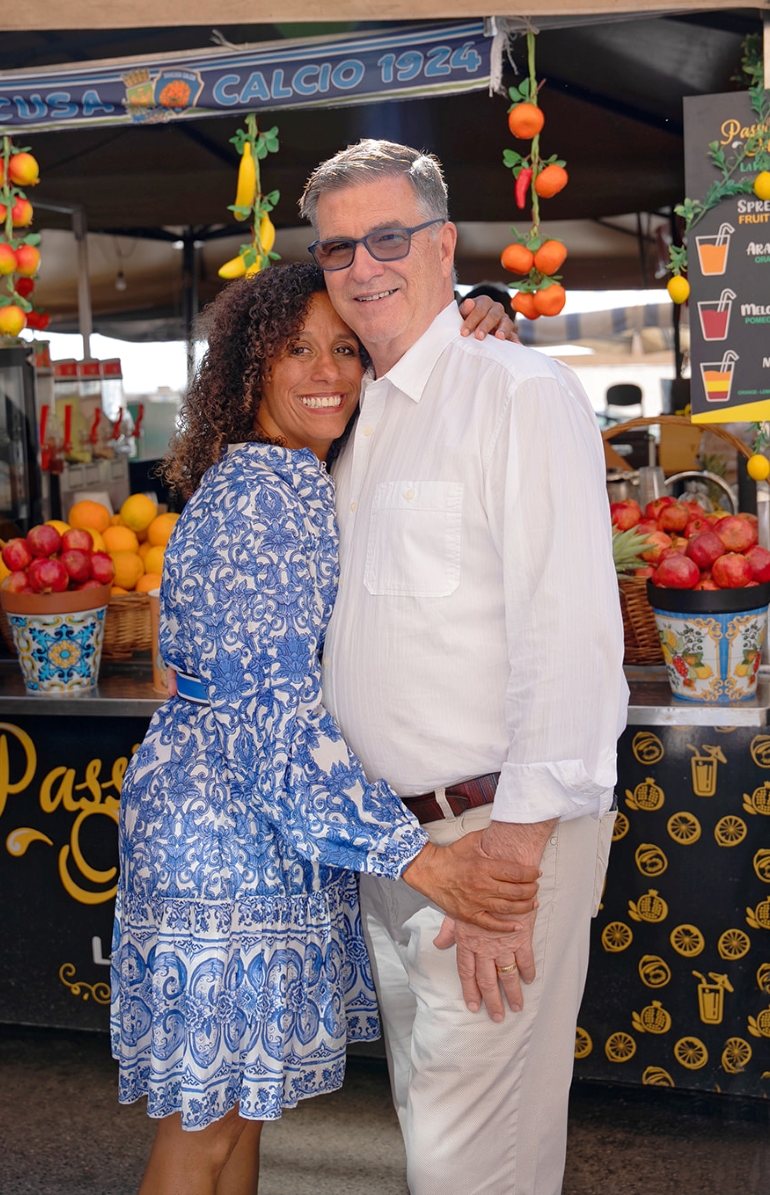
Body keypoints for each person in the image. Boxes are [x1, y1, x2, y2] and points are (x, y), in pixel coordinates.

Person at [110, 265, 536, 1195]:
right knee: (206, 1127)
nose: (328, 371)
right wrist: (416, 859)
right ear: (247, 365)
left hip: (243, 827)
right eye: (296, 347)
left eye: (346, 348)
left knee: (239, 1116)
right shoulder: (268, 493)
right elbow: (272, 714)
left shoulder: (291, 472)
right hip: (225, 840)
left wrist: (469, 325)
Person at [301, 139, 627, 1195]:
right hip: (398, 849)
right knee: (440, 1135)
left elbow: (571, 637)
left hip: (489, 840)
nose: (363, 266)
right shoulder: (350, 421)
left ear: (442, 245)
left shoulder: (514, 395)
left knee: (464, 1162)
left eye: (387, 237)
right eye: (338, 247)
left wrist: (512, 857)